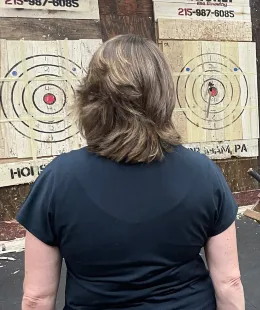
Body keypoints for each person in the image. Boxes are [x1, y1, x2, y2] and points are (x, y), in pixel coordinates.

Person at [16, 34, 245, 310]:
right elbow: (229, 282)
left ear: (94, 97)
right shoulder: (204, 173)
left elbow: (37, 298)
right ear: (163, 94)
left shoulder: (57, 179)